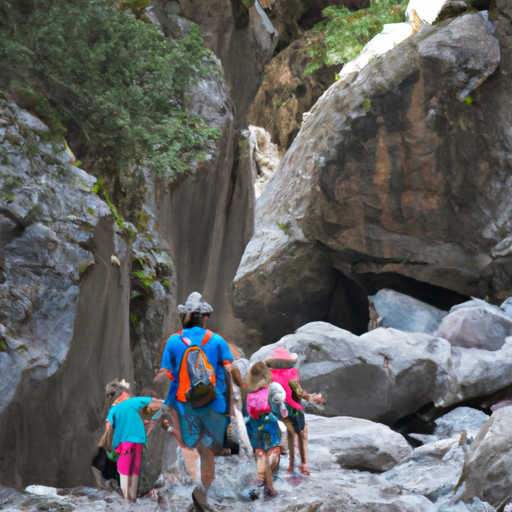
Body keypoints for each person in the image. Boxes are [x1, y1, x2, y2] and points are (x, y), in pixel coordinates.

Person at [160, 292, 234, 510]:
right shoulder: (218, 340)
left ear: (186, 316)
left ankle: (193, 493)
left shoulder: (173, 341)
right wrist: (229, 407)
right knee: (209, 450)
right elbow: (229, 371)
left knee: (191, 446)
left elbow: (169, 375)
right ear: (205, 317)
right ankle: (204, 493)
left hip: (186, 406)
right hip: (214, 403)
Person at [264, 347, 324, 476]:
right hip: (293, 410)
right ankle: (304, 465)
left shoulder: (269, 376)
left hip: (276, 413)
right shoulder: (293, 373)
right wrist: (312, 397)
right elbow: (299, 392)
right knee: (302, 434)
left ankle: (290, 466)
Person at [105, 395, 163, 502]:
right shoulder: (135, 404)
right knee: (135, 471)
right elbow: (160, 404)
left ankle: (128, 501)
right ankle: (133, 500)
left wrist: (113, 448)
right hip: (138, 442)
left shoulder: (115, 409)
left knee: (125, 471)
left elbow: (109, 428)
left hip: (126, 443)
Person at [245, 362, 285, 497]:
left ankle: (259, 478)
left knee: (259, 452)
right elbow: (266, 407)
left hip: (252, 423)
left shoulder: (250, 392)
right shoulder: (269, 389)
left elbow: (249, 410)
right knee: (273, 451)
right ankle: (269, 485)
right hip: (268, 421)